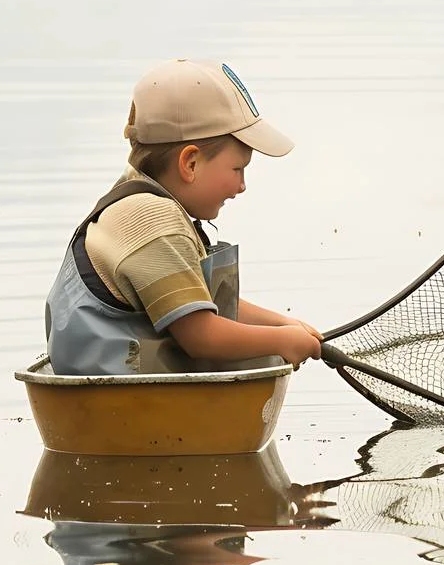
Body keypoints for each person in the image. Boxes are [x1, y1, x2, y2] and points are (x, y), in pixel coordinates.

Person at [43, 59, 322, 375]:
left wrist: (283, 323)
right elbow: (201, 336)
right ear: (190, 163)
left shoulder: (132, 199)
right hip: (125, 393)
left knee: (262, 343)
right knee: (264, 353)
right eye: (237, 169)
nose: (242, 186)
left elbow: (197, 305)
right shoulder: (154, 223)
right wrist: (282, 340)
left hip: (95, 383)